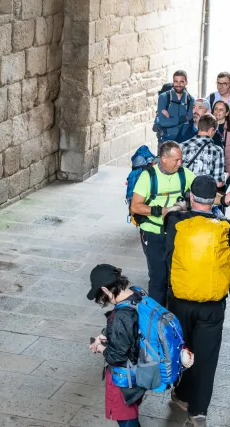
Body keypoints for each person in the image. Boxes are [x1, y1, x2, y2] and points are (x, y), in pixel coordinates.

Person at [165, 175, 230, 427]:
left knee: (184, 349)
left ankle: (181, 396)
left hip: (180, 301)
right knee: (206, 356)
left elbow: (166, 253)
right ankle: (198, 412)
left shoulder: (175, 222)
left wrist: (181, 206)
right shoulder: (224, 227)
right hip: (212, 306)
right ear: (214, 198)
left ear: (191, 196)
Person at [129, 141, 195, 306]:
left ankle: (172, 319)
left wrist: (223, 199)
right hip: (153, 233)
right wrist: (161, 211)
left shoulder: (184, 174)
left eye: (181, 159)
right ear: (164, 159)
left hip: (175, 233)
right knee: (158, 278)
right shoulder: (148, 176)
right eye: (177, 160)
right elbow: (135, 206)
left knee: (174, 278)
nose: (180, 163)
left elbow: (201, 193)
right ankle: (155, 318)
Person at [87, 264, 145, 427]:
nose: (102, 301)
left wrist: (100, 348)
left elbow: (117, 356)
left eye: (101, 297)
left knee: (126, 417)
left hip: (124, 378)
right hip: (140, 368)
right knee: (131, 410)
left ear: (105, 290)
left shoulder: (120, 316)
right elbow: (132, 327)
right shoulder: (137, 293)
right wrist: (105, 334)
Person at [180, 113, 225, 183]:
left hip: (185, 191)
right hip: (205, 192)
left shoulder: (181, 146)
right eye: (215, 131)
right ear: (211, 130)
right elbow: (218, 183)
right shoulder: (218, 151)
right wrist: (226, 177)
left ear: (199, 126)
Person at [156, 70, 195, 143]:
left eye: (181, 82)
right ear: (173, 82)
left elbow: (190, 119)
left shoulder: (190, 100)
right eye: (176, 81)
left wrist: (170, 118)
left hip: (184, 141)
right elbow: (163, 122)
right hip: (166, 140)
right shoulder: (163, 97)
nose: (178, 84)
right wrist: (183, 119)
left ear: (186, 82)